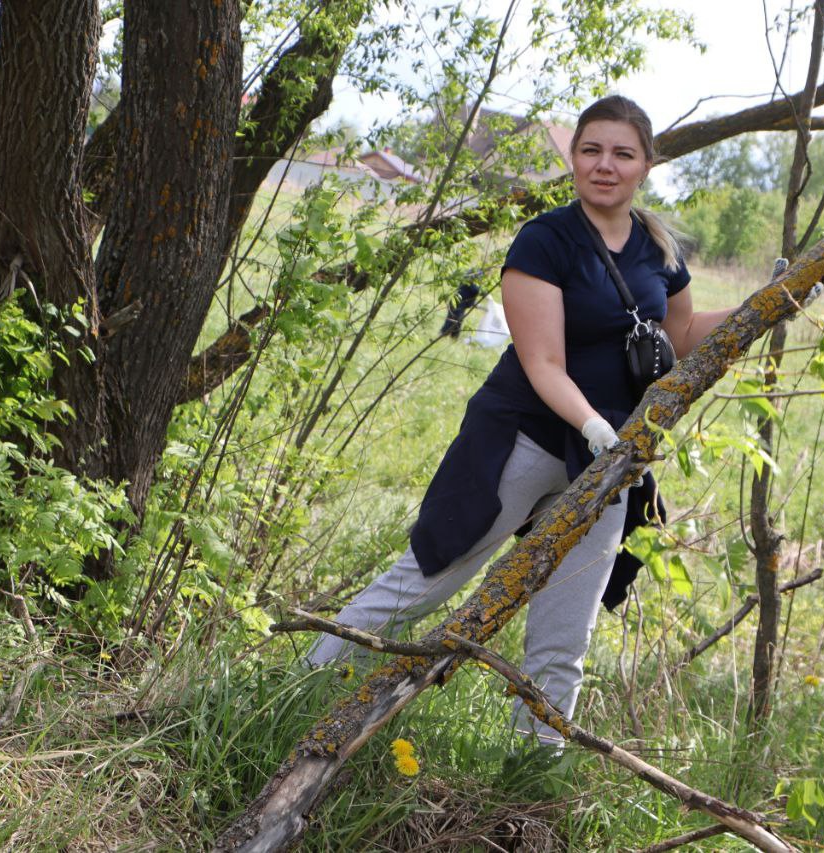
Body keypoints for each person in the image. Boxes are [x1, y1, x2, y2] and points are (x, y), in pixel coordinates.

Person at [305, 95, 739, 744]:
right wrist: (594, 427)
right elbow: (543, 361)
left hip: (609, 464)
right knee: (428, 578)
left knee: (565, 635)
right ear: (573, 157)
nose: (604, 165)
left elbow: (678, 337)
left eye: (622, 153)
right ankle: (296, 688)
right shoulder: (545, 240)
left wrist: (768, 304)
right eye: (591, 150)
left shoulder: (658, 247)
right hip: (526, 439)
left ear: (646, 164)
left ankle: (535, 772)